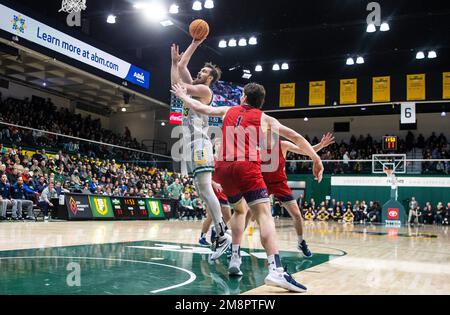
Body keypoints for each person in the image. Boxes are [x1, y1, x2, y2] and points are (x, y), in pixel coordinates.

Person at [172, 82, 324, 293]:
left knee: (239, 210)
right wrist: (316, 159)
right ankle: (276, 270)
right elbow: (296, 137)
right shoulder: (266, 118)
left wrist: (183, 96)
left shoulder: (228, 110)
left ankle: (235, 257)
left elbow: (202, 109)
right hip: (246, 167)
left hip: (223, 168)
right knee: (264, 215)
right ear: (260, 102)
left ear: (243, 97)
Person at [171, 40, 231, 258]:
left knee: (206, 190)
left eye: (204, 71)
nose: (200, 71)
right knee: (202, 190)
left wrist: (180, 61)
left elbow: (179, 83)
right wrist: (183, 54)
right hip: (191, 144)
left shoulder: (204, 90)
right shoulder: (195, 90)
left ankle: (223, 234)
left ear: (210, 78)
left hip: (200, 143)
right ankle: (222, 233)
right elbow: (180, 70)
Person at [261, 132, 334, 257]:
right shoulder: (257, 149)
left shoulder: (283, 145)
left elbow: (305, 151)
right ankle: (235, 244)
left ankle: (301, 242)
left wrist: (321, 145)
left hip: (280, 184)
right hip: (263, 184)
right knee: (249, 213)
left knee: (297, 215)